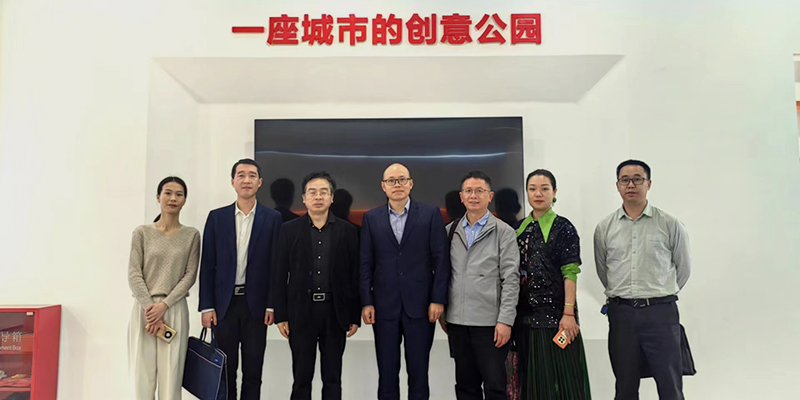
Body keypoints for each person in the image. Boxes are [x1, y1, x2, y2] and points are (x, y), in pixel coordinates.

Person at [594, 160, 691, 400]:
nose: (631, 185)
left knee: (670, 386)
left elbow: (683, 269)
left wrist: (658, 294)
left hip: (661, 314)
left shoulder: (669, 223)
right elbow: (604, 271)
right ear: (617, 185)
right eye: (625, 180)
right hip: (622, 315)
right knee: (625, 387)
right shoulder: (605, 227)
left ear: (648, 184)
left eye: (637, 179)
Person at [360, 163, 450, 400]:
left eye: (402, 179)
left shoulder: (430, 214)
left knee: (419, 374)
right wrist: (367, 302)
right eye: (391, 180)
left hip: (421, 307)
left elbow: (441, 260)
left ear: (411, 183)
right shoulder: (371, 218)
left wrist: (438, 299)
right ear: (383, 186)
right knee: (387, 374)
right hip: (384, 307)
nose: (397, 184)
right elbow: (365, 264)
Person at [198, 158, 283, 400]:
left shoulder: (273, 218)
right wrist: (207, 306)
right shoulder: (217, 217)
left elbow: (276, 266)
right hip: (224, 306)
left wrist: (271, 304)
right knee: (225, 371)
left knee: (253, 372)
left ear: (260, 182)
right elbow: (208, 265)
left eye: (252, 175)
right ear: (233, 181)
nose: (246, 180)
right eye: (241, 175)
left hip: (256, 305)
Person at [273, 172, 361, 400]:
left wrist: (354, 314)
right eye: (312, 192)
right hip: (301, 312)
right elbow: (279, 274)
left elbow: (354, 276)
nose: (318, 197)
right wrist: (281, 315)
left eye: (324, 192)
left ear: (332, 198)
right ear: (304, 198)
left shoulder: (349, 231)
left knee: (333, 379)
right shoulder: (289, 230)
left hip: (335, 312)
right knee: (301, 378)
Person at [441, 171, 520, 400]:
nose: (473, 196)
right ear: (461, 197)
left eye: (479, 191)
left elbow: (511, 279)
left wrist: (505, 320)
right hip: (457, 323)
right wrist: (444, 312)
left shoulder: (504, 232)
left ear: (490, 196)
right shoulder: (450, 231)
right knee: (466, 387)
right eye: (468, 191)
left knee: (495, 387)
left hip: (490, 324)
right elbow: (442, 275)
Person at [514, 169, 592, 400]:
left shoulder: (563, 227)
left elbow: (570, 273)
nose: (538, 194)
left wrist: (568, 313)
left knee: (562, 383)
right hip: (523, 319)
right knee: (530, 383)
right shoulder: (517, 229)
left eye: (544, 189)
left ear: (554, 192)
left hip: (556, 319)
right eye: (532, 189)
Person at [128, 176, 200, 400]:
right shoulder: (141, 233)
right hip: (144, 310)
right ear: (158, 197)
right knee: (142, 376)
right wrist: (151, 310)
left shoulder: (191, 235)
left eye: (179, 194)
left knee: (171, 376)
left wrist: (164, 306)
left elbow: (189, 275)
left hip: (174, 309)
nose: (173, 198)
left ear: (185, 200)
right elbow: (134, 274)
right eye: (168, 193)